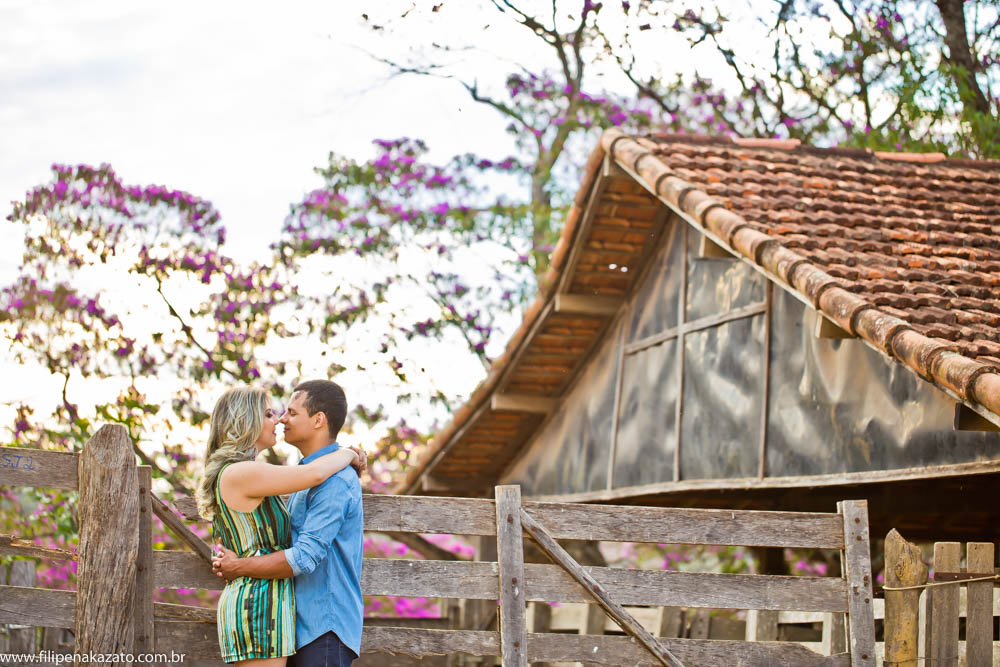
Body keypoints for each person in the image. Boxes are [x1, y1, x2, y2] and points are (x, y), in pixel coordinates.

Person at [197, 385, 364, 666]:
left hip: (317, 624)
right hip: (265, 610)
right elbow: (313, 474)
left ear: (318, 420)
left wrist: (238, 565)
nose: (280, 419)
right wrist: (350, 454)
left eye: (289, 412)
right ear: (245, 421)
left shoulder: (330, 479)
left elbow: (300, 553)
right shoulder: (255, 473)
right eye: (270, 413)